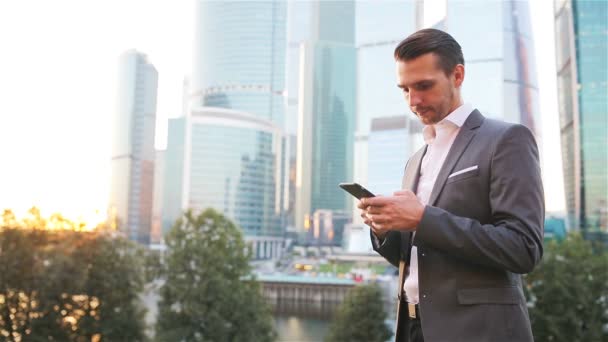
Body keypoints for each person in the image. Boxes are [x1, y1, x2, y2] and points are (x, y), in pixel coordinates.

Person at [357, 28, 544, 342]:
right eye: (404, 89)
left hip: (479, 331)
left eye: (424, 86)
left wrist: (422, 218)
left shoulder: (506, 139)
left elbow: (524, 248)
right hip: (413, 328)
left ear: (457, 75)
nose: (413, 100)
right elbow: (421, 256)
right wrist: (385, 229)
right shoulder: (416, 159)